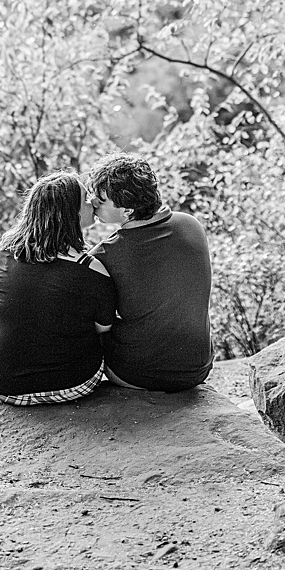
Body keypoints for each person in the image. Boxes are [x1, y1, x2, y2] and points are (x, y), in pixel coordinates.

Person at [0, 171, 118, 406]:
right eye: (85, 198)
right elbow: (103, 328)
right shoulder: (93, 271)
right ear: (69, 214)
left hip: (0, 386)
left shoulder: (2, 255)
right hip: (72, 385)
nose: (93, 201)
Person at [87, 153, 214, 392]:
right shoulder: (191, 225)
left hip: (137, 374)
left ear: (127, 211)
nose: (93, 202)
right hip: (197, 368)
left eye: (101, 200)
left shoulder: (104, 255)